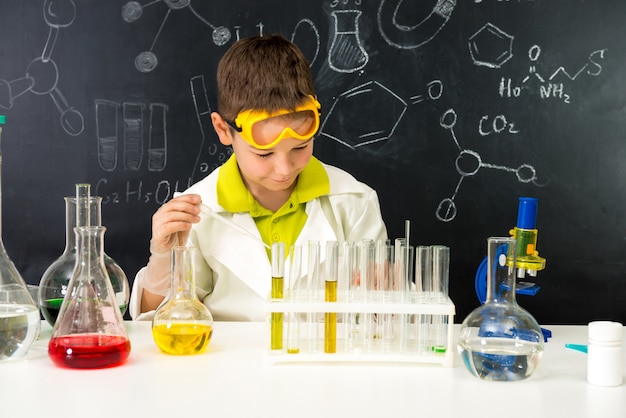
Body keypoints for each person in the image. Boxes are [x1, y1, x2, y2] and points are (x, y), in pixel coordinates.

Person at [130, 34, 387, 321]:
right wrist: (163, 258)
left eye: (300, 148)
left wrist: (385, 296)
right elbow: (160, 319)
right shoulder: (196, 213)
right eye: (264, 155)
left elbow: (386, 315)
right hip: (229, 365)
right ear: (223, 130)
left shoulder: (353, 202)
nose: (284, 169)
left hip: (325, 363)